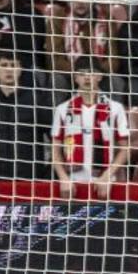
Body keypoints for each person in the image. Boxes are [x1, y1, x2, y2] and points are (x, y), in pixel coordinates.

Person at [51, 58, 130, 199]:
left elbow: (125, 149)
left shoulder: (116, 109)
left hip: (105, 181)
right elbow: (55, 149)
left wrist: (107, 176)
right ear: (75, 77)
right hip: (73, 181)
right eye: (82, 73)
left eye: (91, 73)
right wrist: (63, 177)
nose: (87, 77)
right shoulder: (62, 109)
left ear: (100, 76)